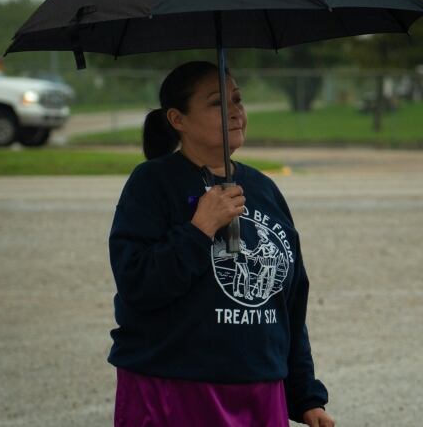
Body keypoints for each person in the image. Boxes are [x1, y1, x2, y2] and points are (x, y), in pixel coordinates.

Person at [107, 61, 334, 427]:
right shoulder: (152, 183)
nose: (236, 112)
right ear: (178, 119)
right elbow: (137, 283)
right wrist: (199, 229)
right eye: (218, 103)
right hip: (174, 385)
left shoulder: (263, 189)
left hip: (259, 389)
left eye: (238, 99)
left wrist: (305, 394)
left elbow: (289, 303)